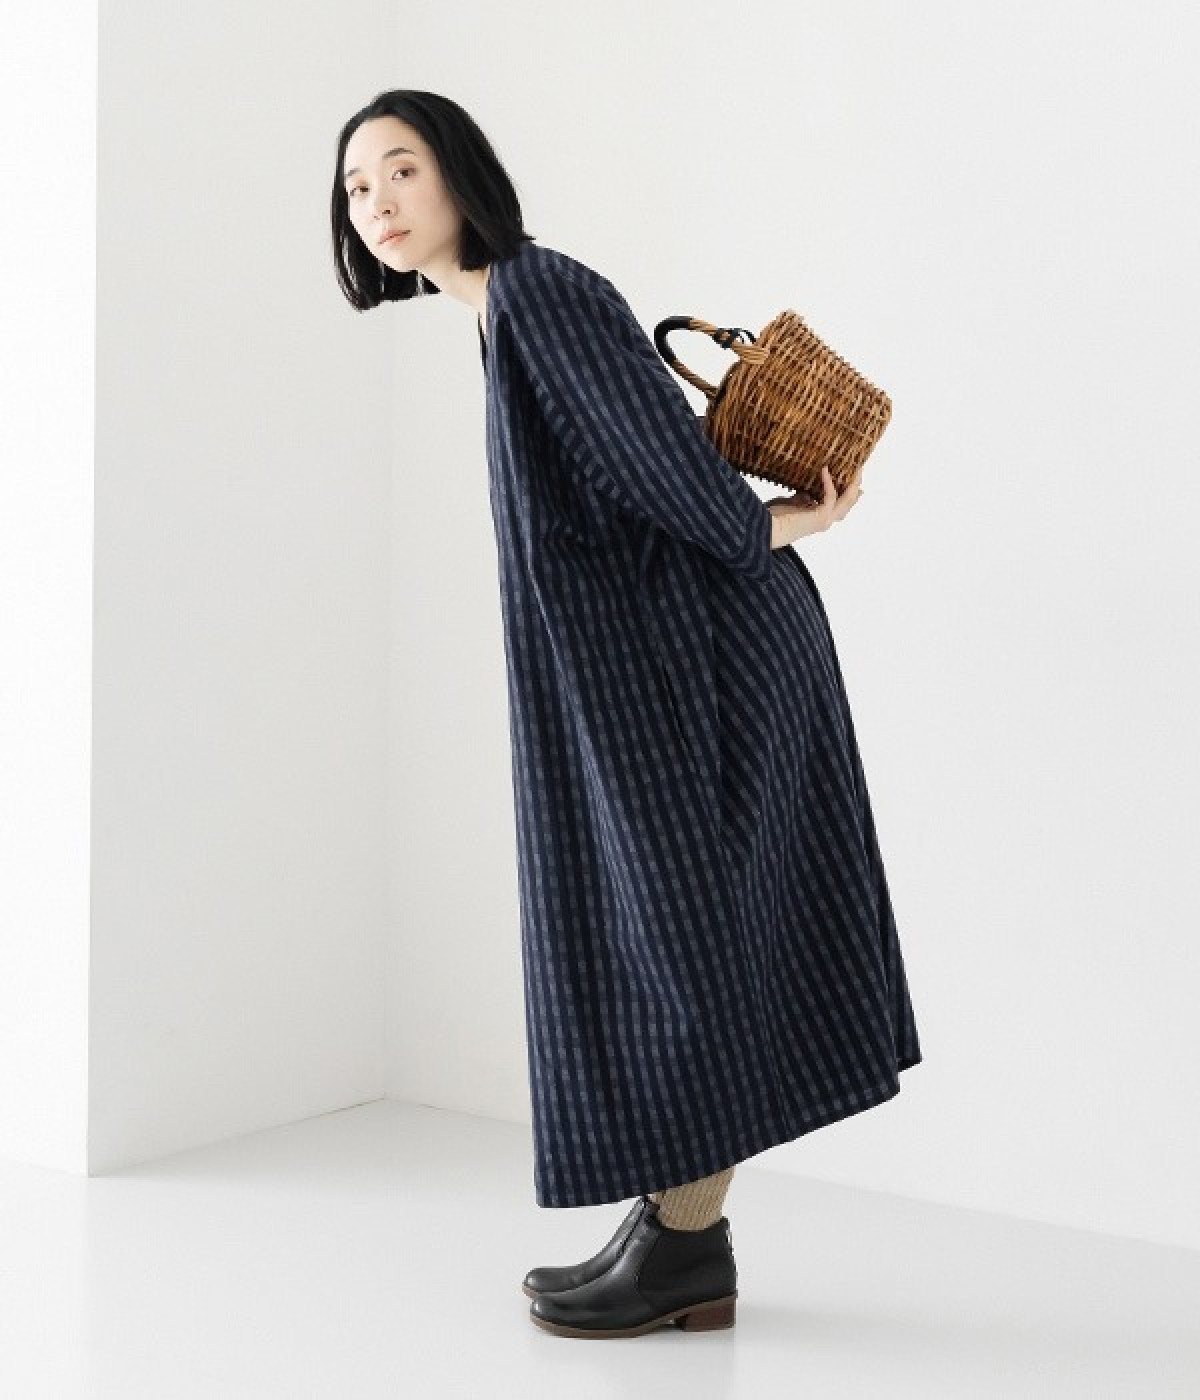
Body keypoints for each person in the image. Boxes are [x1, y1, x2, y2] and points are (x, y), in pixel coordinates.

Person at [332, 89, 922, 1339]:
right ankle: (675, 1229)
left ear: (461, 173)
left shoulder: (539, 293)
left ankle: (686, 1246)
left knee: (685, 945)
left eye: (401, 169)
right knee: (671, 935)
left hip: (703, 660)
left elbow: (670, 473)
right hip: (656, 660)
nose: (377, 201)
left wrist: (784, 522)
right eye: (356, 187)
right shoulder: (502, 313)